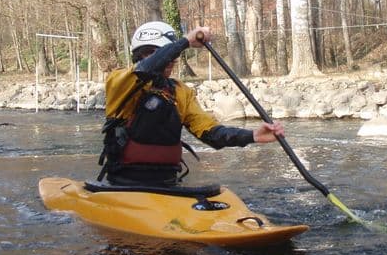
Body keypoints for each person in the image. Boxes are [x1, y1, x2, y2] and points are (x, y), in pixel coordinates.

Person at [98, 21, 284, 187]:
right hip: (123, 184)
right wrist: (185, 41)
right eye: (154, 53)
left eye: (170, 55)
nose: (169, 61)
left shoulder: (180, 92)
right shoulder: (120, 82)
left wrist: (252, 136)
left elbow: (211, 133)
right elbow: (147, 68)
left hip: (168, 183)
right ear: (139, 56)